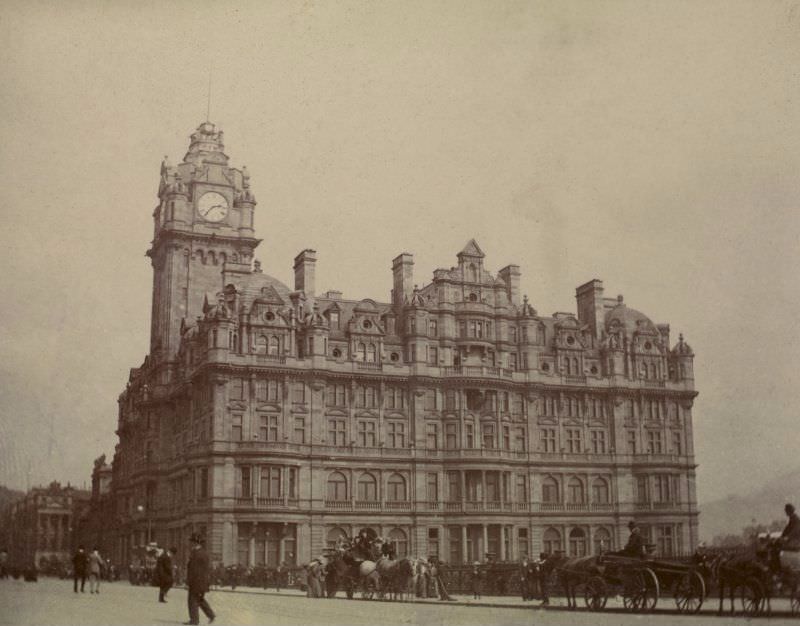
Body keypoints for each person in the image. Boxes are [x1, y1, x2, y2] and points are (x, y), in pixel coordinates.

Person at [185, 534, 215, 625]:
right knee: (199, 599)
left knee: (192, 600)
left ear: (195, 542)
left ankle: (194, 621)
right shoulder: (202, 552)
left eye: (191, 541)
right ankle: (211, 615)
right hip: (201, 581)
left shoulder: (197, 554)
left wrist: (188, 582)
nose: (190, 543)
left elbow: (194, 570)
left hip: (196, 581)